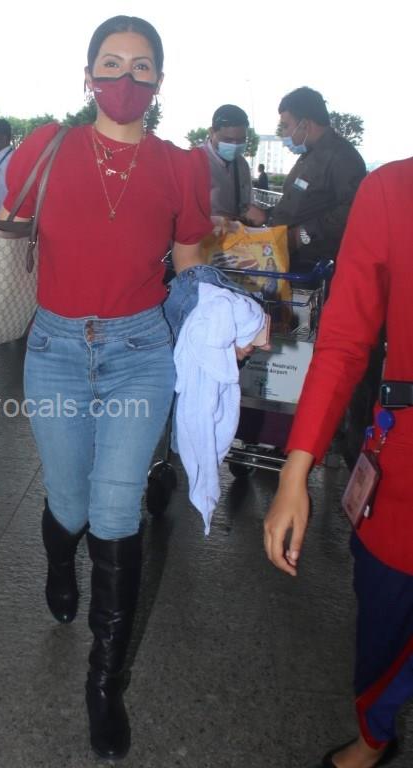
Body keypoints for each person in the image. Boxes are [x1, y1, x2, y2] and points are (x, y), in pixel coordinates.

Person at [0, 15, 215, 760]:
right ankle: (59, 557)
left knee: (115, 508)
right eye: (111, 63)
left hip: (140, 351)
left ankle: (103, 684)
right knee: (71, 504)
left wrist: (228, 322)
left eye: (141, 66)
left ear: (159, 81)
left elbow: (189, 268)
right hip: (52, 349)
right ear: (87, 76)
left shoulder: (183, 167)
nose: (125, 78)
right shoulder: (47, 146)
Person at [263, 158, 413, 768]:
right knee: (383, 618)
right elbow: (346, 340)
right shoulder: (392, 191)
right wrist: (295, 471)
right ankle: (374, 734)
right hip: (404, 466)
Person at [246, 87, 366, 271]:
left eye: (286, 126)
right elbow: (301, 204)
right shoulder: (309, 155)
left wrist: (302, 234)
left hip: (314, 264)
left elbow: (352, 209)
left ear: (304, 124)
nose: (284, 134)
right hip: (289, 257)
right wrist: (267, 215)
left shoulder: (342, 156)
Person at [200, 104, 252, 220]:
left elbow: (247, 204)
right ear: (212, 132)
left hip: (238, 229)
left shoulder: (242, 164)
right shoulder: (196, 161)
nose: (235, 145)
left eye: (241, 140)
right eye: (228, 140)